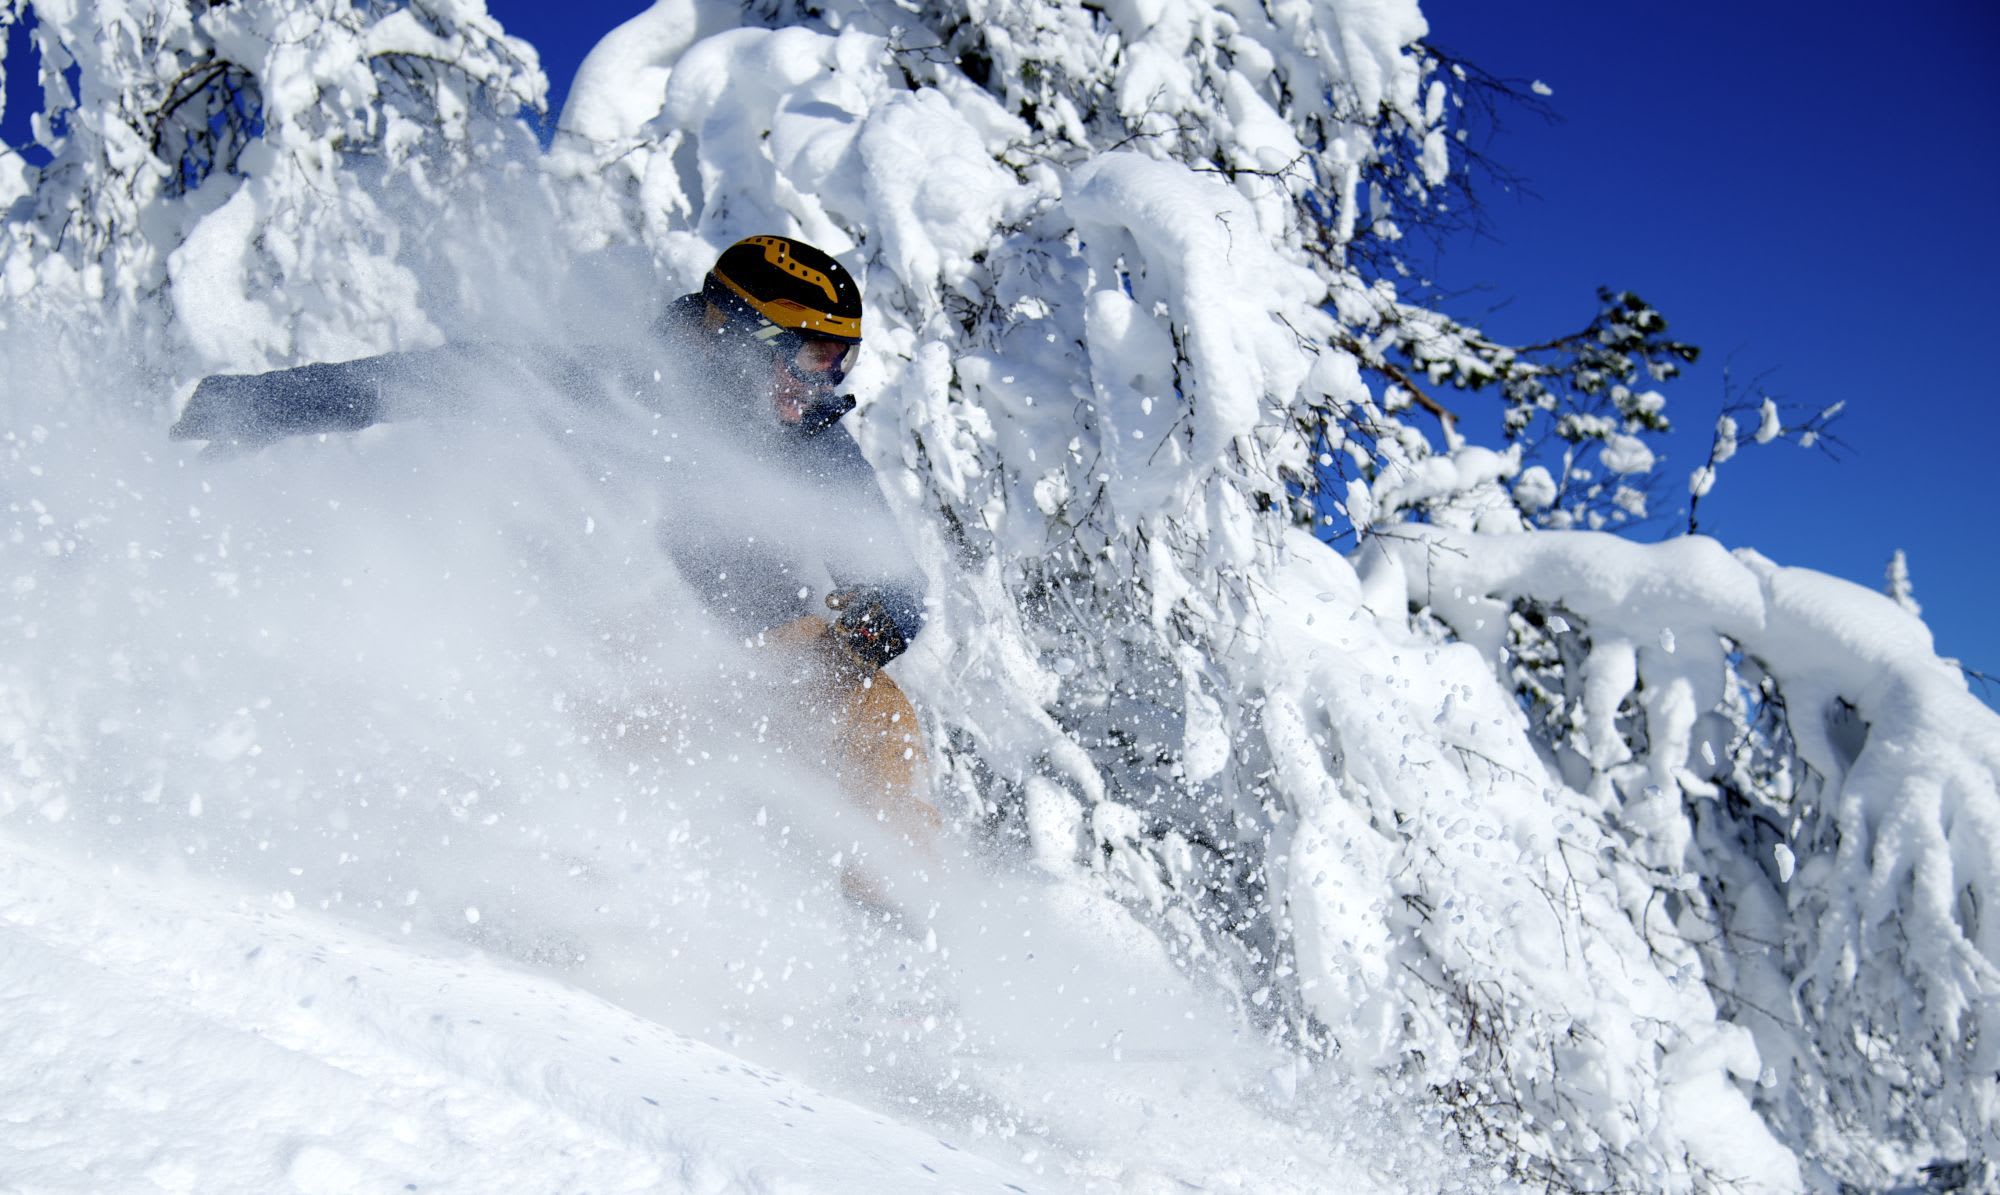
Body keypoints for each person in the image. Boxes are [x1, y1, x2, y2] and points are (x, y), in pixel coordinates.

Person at [170, 235, 938, 870]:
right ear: (743, 337)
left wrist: (863, 634)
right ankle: (511, 881)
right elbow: (420, 381)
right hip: (593, 652)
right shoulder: (611, 385)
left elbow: (894, 580)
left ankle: (900, 966)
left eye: (841, 361)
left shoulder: (809, 438)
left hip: (740, 668)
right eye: (814, 357)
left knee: (879, 717)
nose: (828, 382)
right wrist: (244, 407)